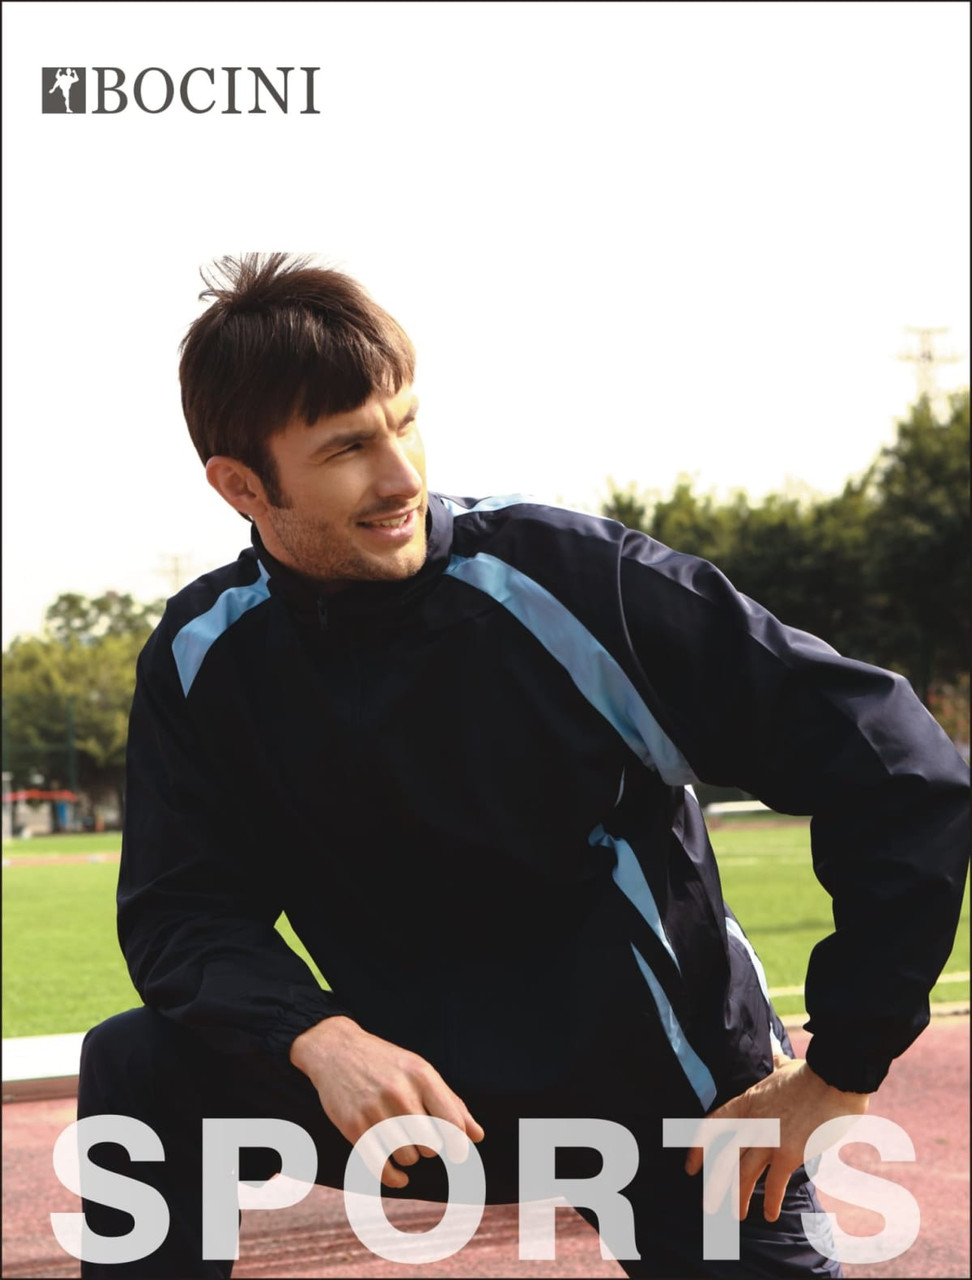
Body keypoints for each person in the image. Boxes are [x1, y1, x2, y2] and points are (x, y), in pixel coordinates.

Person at [77, 253, 969, 1278]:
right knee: (139, 1059)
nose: (401, 474)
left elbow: (897, 762)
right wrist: (313, 1032)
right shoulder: (204, 660)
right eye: (349, 448)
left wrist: (843, 1068)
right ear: (242, 485)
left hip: (671, 1111)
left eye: (405, 422)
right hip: (424, 1105)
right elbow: (179, 911)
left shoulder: (572, 584)